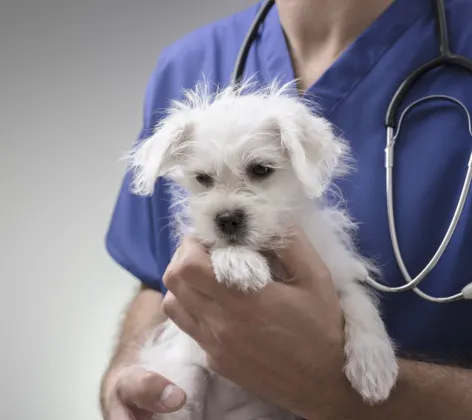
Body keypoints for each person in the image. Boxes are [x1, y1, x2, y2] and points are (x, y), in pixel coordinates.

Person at [100, 0, 472, 419]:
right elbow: (156, 280)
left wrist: (331, 387)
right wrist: (126, 385)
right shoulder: (187, 64)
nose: (227, 210)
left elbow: (346, 286)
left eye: (259, 170)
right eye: (203, 181)